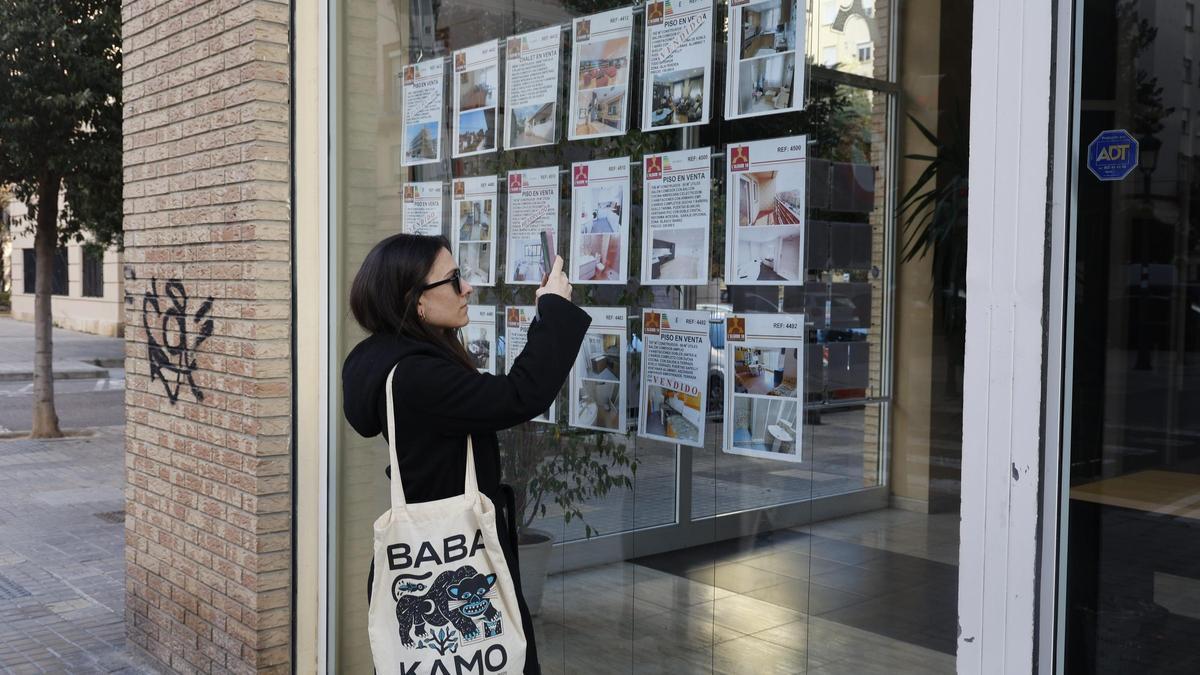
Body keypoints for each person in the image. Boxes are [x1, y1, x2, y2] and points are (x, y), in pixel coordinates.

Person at [341, 233, 589, 675]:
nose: (467, 288)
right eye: (454, 280)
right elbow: (518, 395)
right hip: (453, 557)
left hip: (437, 555)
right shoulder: (417, 376)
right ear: (415, 300)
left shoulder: (393, 362)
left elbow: (493, 396)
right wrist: (555, 310)